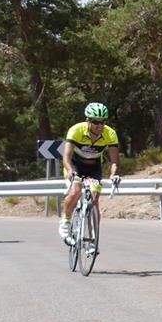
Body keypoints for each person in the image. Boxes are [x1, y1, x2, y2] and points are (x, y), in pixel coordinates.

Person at [60, 102, 122, 244]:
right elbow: (66, 157)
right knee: (76, 191)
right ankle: (66, 221)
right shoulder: (76, 130)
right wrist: (70, 171)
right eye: (95, 122)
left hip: (94, 167)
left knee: (94, 201)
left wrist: (113, 174)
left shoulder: (110, 133)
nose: (100, 126)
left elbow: (115, 161)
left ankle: (92, 239)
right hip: (75, 165)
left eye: (102, 122)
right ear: (88, 121)